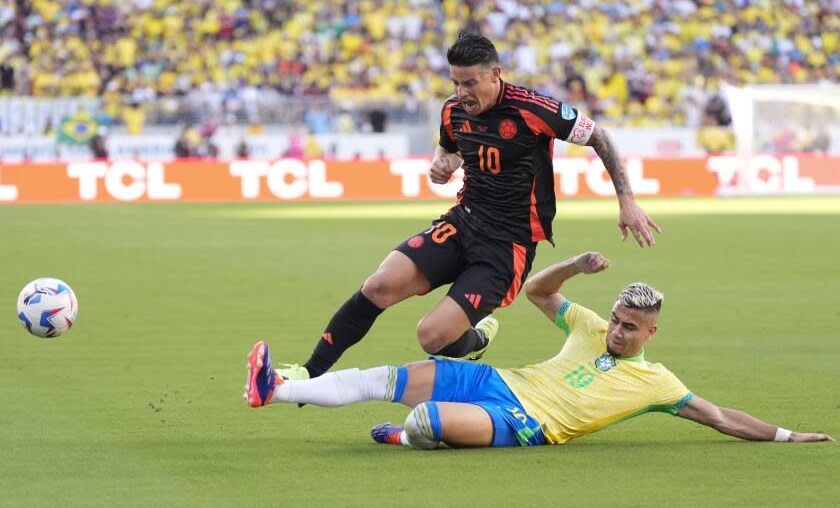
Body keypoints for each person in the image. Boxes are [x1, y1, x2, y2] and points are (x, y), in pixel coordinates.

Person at [276, 32, 661, 381]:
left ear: (495, 74)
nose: (461, 92)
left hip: (508, 244)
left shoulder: (533, 109)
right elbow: (450, 146)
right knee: (379, 285)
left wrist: (626, 200)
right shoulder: (453, 109)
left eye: (470, 82)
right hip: (464, 221)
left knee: (431, 336)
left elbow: (600, 136)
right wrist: (443, 162)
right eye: (456, 82)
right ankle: (308, 372)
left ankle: (475, 339)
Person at [244, 252, 835, 449]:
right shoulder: (586, 324)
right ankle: (276, 389)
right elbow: (536, 290)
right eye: (618, 319)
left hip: (527, 422)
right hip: (501, 383)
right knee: (384, 378)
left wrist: (787, 435)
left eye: (630, 327)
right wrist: (576, 266)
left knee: (421, 420)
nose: (617, 331)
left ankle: (406, 439)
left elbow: (720, 417)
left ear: (650, 333)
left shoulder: (658, 383)